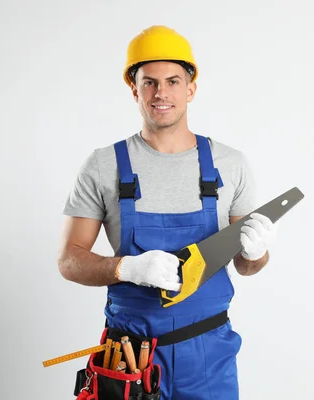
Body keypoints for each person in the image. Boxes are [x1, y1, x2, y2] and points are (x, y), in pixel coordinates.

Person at [57, 25, 278, 399]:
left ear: (190, 89)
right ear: (134, 89)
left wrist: (256, 253)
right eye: (150, 82)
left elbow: (246, 266)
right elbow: (69, 261)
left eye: (173, 81)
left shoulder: (231, 163)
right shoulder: (102, 165)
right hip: (130, 357)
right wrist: (126, 268)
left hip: (210, 356)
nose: (162, 93)